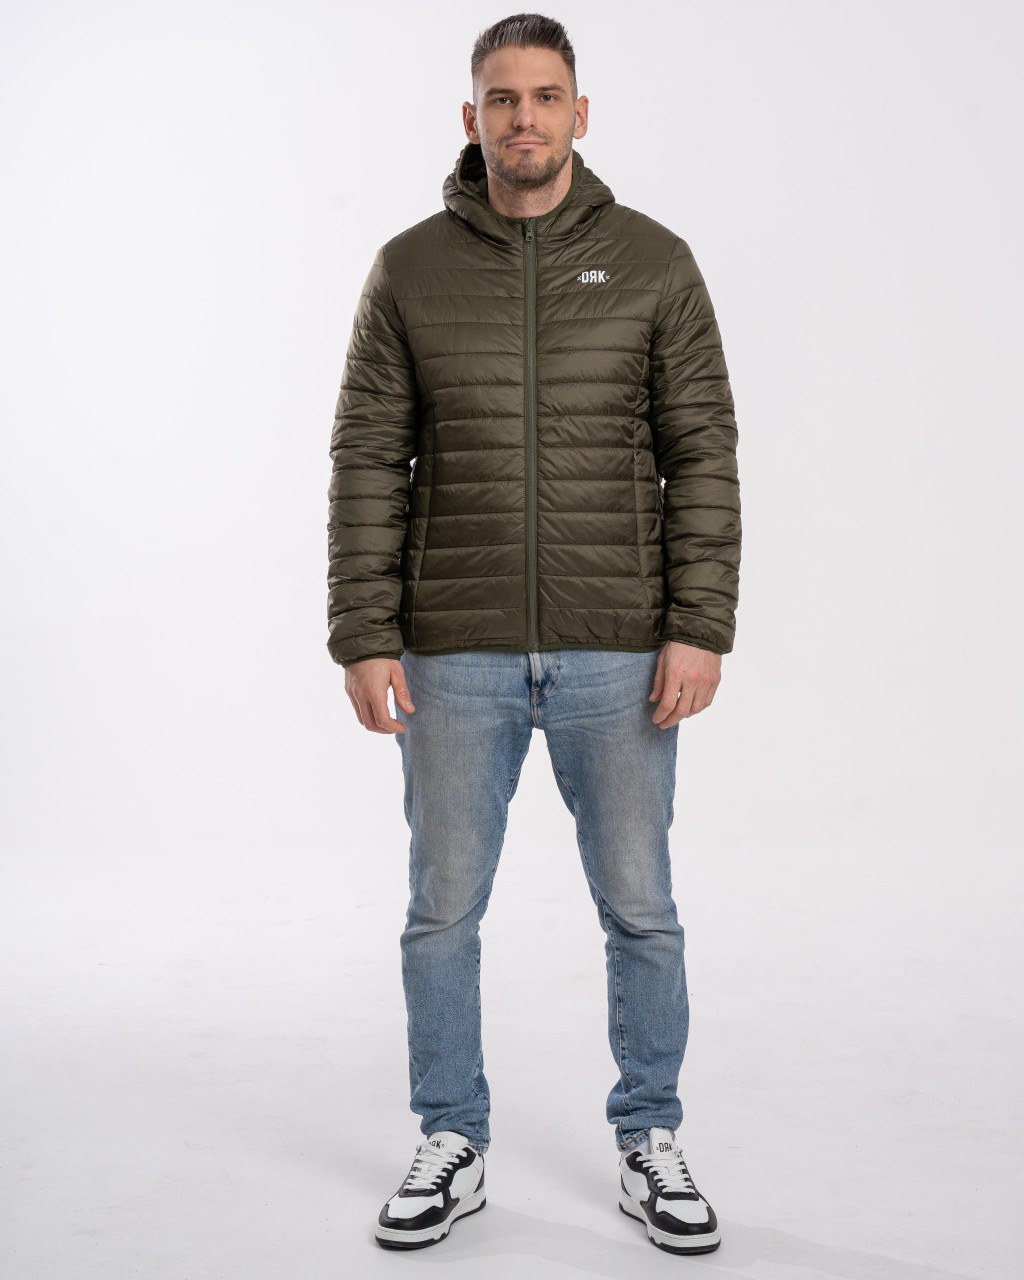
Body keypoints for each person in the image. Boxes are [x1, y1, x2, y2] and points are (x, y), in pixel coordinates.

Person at [326, 12, 740, 1257]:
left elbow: (701, 454)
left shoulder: (654, 262)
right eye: (501, 98)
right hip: (452, 650)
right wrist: (363, 631)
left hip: (621, 647)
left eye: (545, 96)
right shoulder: (409, 270)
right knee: (442, 911)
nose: (523, 118)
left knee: (641, 907)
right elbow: (367, 458)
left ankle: (649, 1135)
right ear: (472, 118)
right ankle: (450, 1138)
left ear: (579, 113)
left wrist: (697, 624)